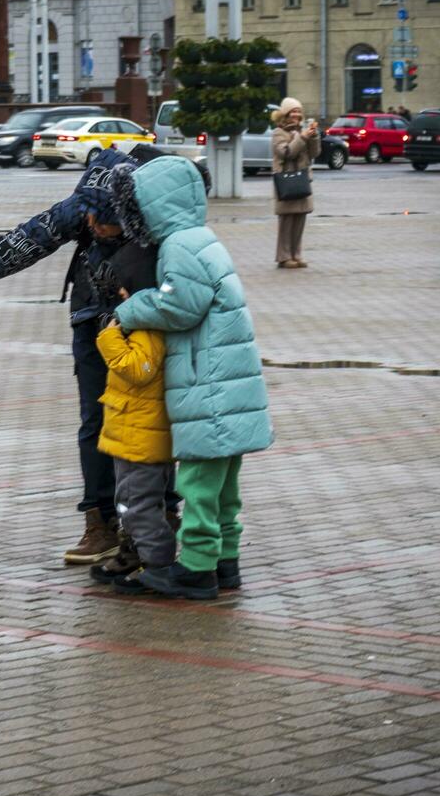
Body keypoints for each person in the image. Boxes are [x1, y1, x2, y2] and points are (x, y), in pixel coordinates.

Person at [0, 146, 181, 565]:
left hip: (148, 327)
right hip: (94, 321)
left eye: (104, 220)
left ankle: (163, 514)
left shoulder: (157, 211)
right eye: (88, 216)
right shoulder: (84, 203)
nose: (93, 225)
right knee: (96, 420)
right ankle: (100, 521)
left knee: (153, 418)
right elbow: (24, 242)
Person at [108, 155, 274, 600]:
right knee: (223, 488)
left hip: (210, 389)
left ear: (156, 204)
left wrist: (128, 309)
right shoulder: (202, 239)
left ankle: (198, 569)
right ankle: (226, 562)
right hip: (226, 385)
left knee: (198, 483)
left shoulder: (180, 246)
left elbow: (179, 306)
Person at [88, 243, 179, 593]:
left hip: (141, 438)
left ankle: (159, 565)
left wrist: (109, 337)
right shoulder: (142, 322)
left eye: (124, 289)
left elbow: (138, 369)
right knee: (131, 503)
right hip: (130, 434)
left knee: (140, 506)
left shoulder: (148, 327)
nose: (120, 296)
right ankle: (140, 556)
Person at [270, 97, 320, 269]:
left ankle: (296, 254)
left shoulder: (302, 131)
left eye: (299, 111)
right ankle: (284, 257)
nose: (297, 115)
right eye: (293, 111)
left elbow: (314, 153)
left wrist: (313, 137)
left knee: (300, 219)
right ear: (285, 113)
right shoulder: (278, 133)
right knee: (287, 221)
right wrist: (302, 138)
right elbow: (287, 152)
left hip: (302, 180)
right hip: (286, 182)